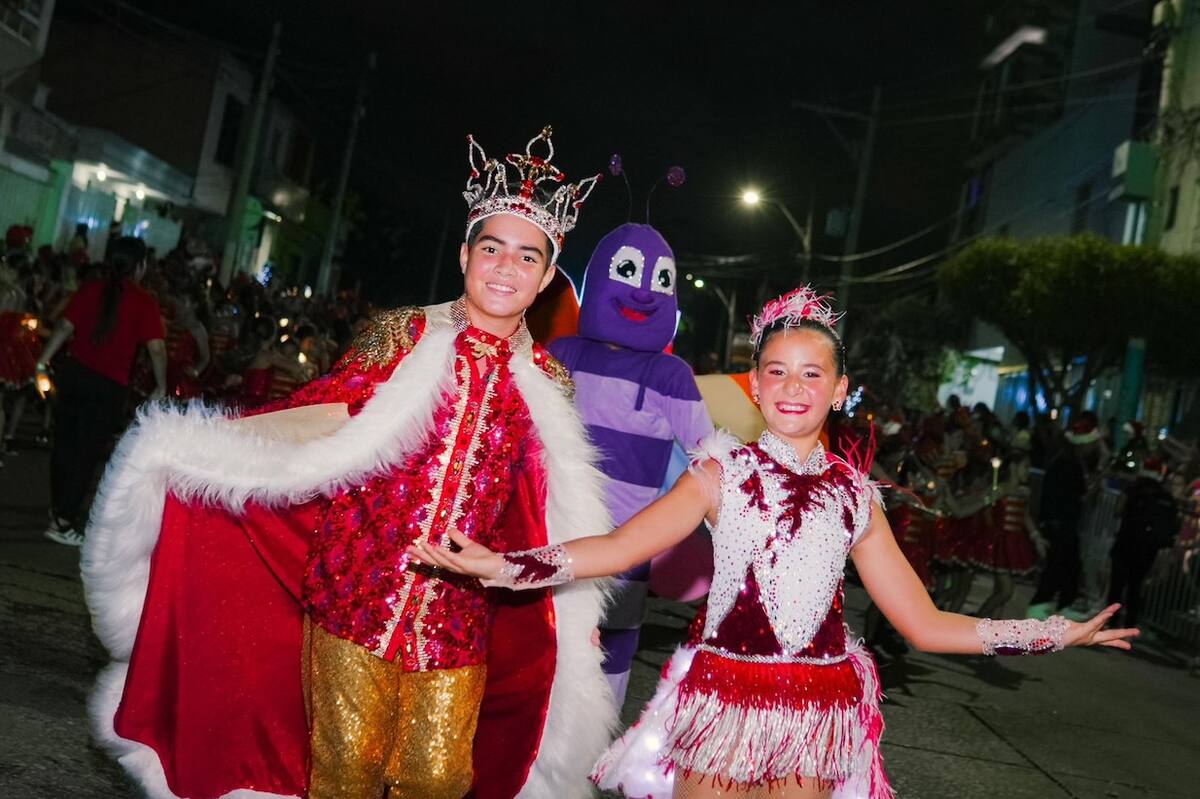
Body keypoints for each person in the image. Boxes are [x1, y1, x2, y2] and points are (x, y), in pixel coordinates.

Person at [415, 286, 1137, 799]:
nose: (794, 387)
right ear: (756, 388)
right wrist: (506, 565)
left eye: (812, 373)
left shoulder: (857, 497)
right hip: (721, 703)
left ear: (839, 388)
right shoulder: (717, 474)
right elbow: (619, 546)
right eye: (777, 371)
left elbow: (924, 624)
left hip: (814, 716)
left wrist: (1053, 635)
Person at [83, 127, 613, 799]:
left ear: (546, 276)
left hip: (459, 618)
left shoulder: (548, 384)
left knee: (439, 777)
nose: (505, 267)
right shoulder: (402, 334)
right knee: (345, 773)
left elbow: (544, 508)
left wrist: (574, 615)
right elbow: (323, 413)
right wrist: (200, 451)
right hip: (354, 594)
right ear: (464, 254)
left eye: (526, 256)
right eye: (491, 248)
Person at [548, 222, 713, 705]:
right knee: (542, 651)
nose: (643, 293)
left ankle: (594, 748)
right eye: (627, 273)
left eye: (659, 280)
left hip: (630, 550)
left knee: (611, 657)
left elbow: (710, 457)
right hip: (552, 533)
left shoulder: (671, 376)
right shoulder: (562, 354)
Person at [37, 236, 166, 545]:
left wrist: (42, 361)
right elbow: (157, 348)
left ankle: (58, 510)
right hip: (108, 386)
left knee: (64, 444)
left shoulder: (91, 288)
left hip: (73, 375)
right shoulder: (144, 301)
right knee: (87, 453)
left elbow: (65, 327)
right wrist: (161, 384)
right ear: (140, 266)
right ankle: (62, 520)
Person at [1107, 457, 1179, 627]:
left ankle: (1111, 622)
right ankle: (1130, 626)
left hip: (1126, 543)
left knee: (1117, 586)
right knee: (1135, 587)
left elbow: (1118, 510)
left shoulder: (1134, 490)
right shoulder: (1165, 496)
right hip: (1147, 550)